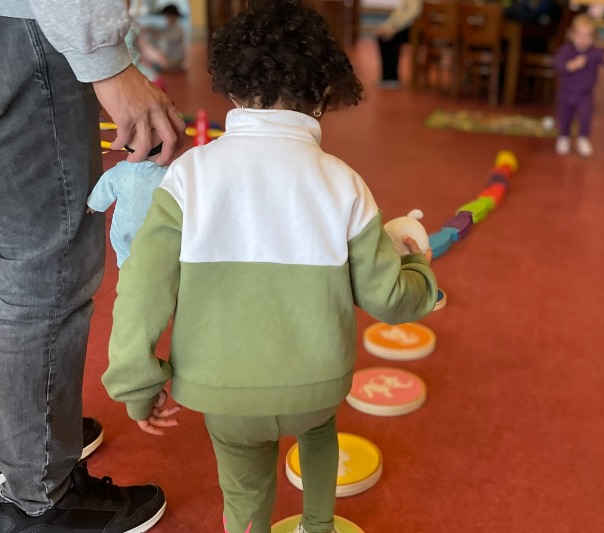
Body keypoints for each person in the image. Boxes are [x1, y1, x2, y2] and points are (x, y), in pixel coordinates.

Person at [101, 3, 438, 533]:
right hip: (317, 386)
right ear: (323, 94)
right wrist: (419, 271)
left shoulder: (189, 176)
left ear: (233, 89)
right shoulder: (343, 182)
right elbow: (388, 297)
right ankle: (318, 525)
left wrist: (136, 384)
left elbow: (143, 290)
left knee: (243, 485)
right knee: (319, 429)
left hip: (221, 389)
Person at [0, 0, 185, 531]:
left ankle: (26, 438)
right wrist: (108, 63)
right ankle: (37, 495)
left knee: (13, 252)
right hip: (25, 29)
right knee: (47, 270)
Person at [87, 149, 168, 268]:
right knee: (158, 255)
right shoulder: (167, 174)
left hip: (124, 227)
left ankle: (127, 270)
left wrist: (93, 204)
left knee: (125, 256)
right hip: (155, 227)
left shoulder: (119, 171)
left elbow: (105, 185)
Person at [553, 14, 604, 157]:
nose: (583, 40)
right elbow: (557, 63)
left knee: (585, 117)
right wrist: (570, 65)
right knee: (564, 117)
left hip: (585, 94)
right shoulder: (566, 50)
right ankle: (564, 137)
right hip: (565, 93)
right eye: (579, 35)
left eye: (588, 36)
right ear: (572, 34)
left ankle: (583, 138)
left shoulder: (594, 52)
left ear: (593, 37)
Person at [375, 0, 422, 88]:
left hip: (417, 28)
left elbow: (413, 13)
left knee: (390, 38)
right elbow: (398, 13)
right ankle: (388, 76)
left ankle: (391, 78)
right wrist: (385, 26)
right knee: (383, 36)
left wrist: (394, 28)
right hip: (405, 26)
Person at [159, 4, 186, 71]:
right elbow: (161, 32)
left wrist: (163, 36)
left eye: (168, 16)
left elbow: (175, 38)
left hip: (177, 56)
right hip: (170, 55)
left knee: (164, 67)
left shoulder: (179, 28)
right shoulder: (168, 27)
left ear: (174, 17)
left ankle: (179, 65)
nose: (167, 19)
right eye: (166, 17)